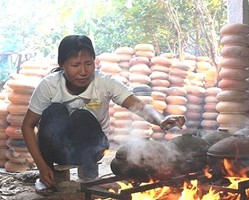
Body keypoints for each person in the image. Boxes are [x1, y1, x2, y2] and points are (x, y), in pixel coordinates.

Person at [21, 35, 186, 191]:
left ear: (95, 62)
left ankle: (89, 175)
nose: (83, 71)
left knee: (82, 116)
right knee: (54, 111)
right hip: (57, 150)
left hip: (92, 149)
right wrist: (42, 167)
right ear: (62, 65)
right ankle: (46, 177)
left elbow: (137, 104)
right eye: (75, 65)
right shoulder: (49, 85)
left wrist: (161, 120)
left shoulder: (105, 82)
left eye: (88, 63)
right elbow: (27, 126)